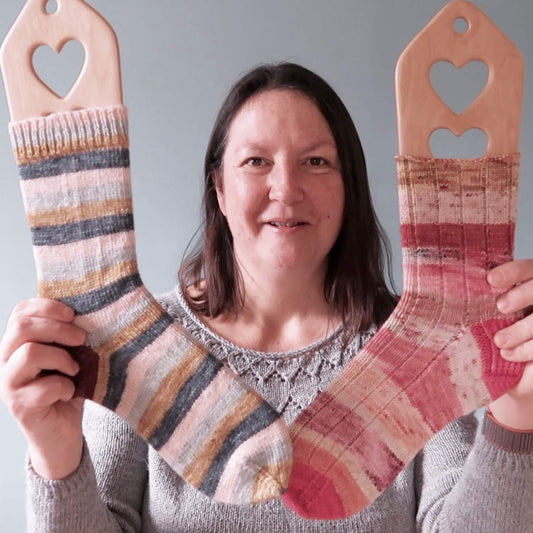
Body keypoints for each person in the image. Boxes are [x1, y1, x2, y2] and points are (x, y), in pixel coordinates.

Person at [1, 62, 533, 532]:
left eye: (317, 162)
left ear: (349, 188)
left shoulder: (416, 350)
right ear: (219, 190)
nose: (286, 188)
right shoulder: (139, 345)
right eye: (256, 161)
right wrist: (56, 453)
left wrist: (518, 415)